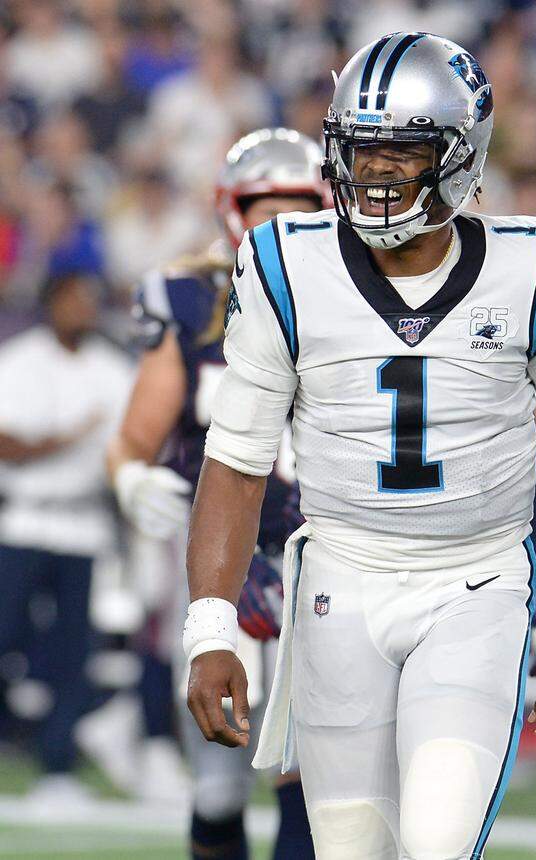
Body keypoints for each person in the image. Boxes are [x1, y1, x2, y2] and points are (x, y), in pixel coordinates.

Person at [183, 32, 536, 860]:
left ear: (462, 154)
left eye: (405, 152)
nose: (378, 172)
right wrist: (211, 629)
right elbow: (237, 459)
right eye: (363, 150)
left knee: (436, 840)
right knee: (353, 849)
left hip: (476, 582)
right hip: (339, 579)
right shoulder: (283, 262)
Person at [107, 127, 327, 860]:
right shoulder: (191, 298)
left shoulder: (353, 297)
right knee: (220, 785)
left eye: (300, 205)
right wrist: (132, 480)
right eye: (269, 206)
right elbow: (132, 440)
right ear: (233, 209)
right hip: (218, 559)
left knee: (310, 772)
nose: (284, 223)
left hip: (322, 553)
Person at [0, 271, 135, 803]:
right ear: (50, 303)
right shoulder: (18, 360)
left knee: (74, 648)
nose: (82, 309)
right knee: (6, 634)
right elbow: (8, 447)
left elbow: (129, 450)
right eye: (72, 300)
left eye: (89, 301)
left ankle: (57, 762)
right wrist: (71, 437)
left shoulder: (113, 370)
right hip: (24, 519)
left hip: (84, 525)